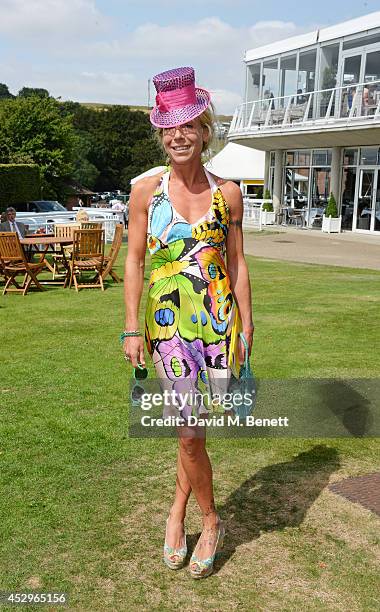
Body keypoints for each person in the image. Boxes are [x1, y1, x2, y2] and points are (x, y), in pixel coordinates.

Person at [122, 67, 254, 579]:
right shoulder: (145, 192)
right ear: (161, 134)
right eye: (168, 128)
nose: (178, 136)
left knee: (192, 431)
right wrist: (131, 327)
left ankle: (176, 510)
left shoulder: (230, 194)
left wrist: (247, 326)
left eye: (188, 126)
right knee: (190, 431)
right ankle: (210, 519)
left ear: (204, 132)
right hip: (168, 322)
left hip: (219, 321)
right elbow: (133, 262)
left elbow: (238, 264)